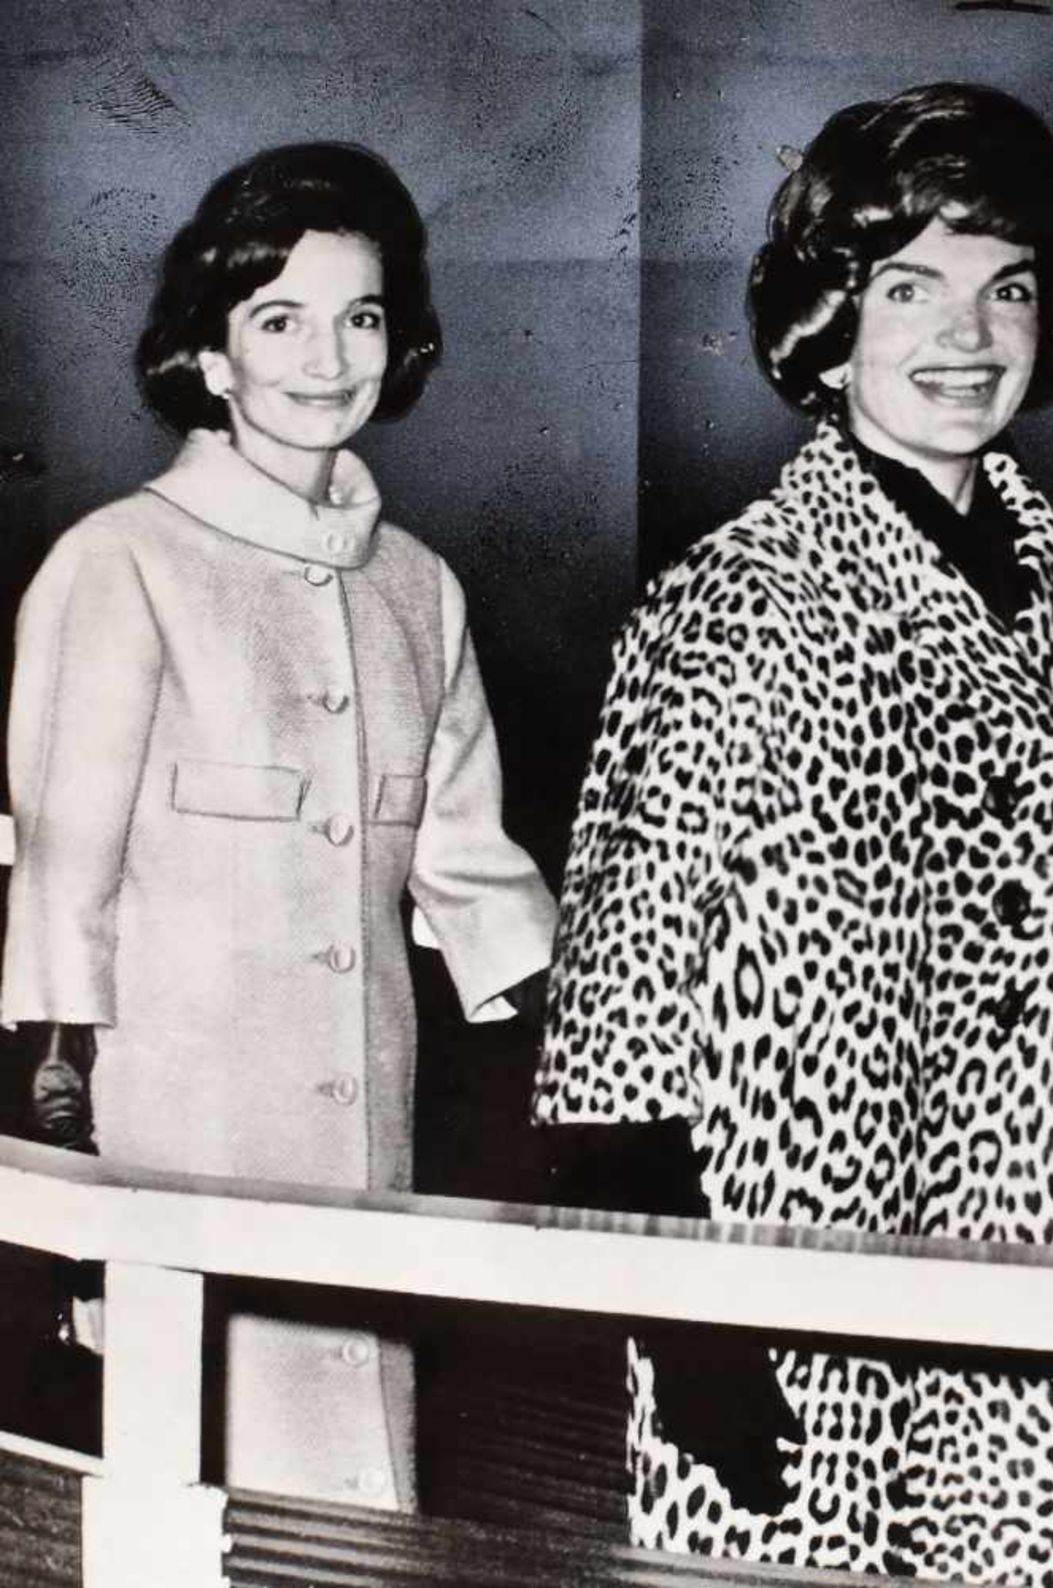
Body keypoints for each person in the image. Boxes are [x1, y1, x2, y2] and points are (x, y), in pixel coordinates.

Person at [532, 82, 1053, 1585]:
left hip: (1046, 1234)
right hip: (799, 1277)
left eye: (1009, 288)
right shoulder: (742, 598)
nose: (967, 337)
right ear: (831, 318)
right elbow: (610, 1024)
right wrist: (696, 1338)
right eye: (911, 286)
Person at [1, 142, 558, 1508]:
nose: (328, 357)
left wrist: (587, 1043)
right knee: (185, 1485)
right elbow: (62, 862)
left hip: (366, 1130)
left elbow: (470, 863)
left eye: (361, 317)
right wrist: (57, 1100)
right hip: (169, 1115)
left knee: (358, 1471)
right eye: (280, 319)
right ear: (208, 354)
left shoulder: (418, 587)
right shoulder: (121, 560)